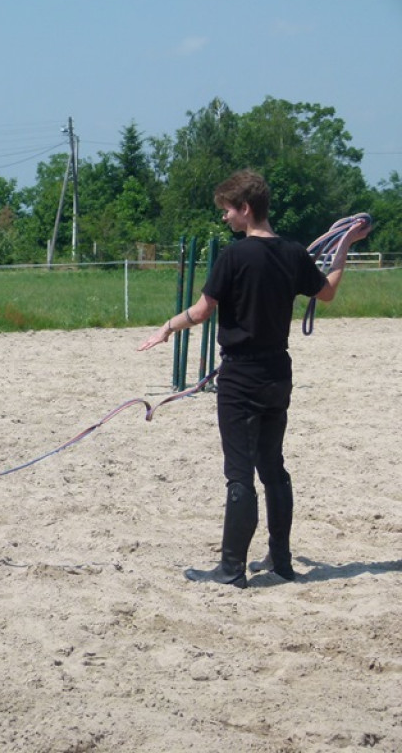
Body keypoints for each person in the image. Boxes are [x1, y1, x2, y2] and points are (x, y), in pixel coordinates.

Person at [137, 169, 371, 588]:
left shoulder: (234, 257)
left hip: (241, 377)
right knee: (274, 469)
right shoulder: (294, 253)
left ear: (245, 209)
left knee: (239, 474)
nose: (225, 218)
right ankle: (280, 561)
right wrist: (345, 247)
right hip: (278, 373)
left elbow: (202, 311)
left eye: (228, 210)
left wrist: (167, 328)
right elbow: (329, 291)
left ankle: (231, 569)